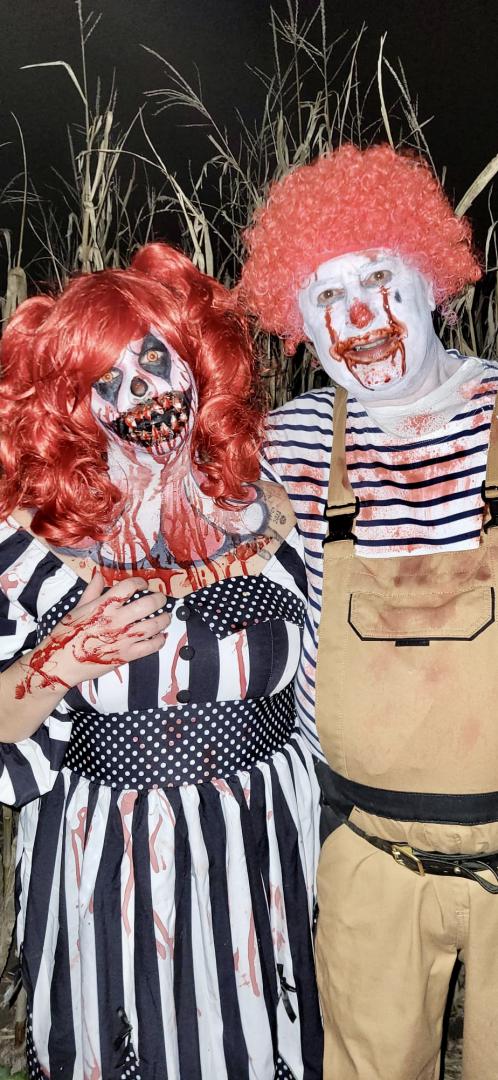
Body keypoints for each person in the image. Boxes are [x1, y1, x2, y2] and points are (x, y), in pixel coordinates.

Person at [0, 243, 323, 1080]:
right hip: (109, 856)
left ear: (196, 358)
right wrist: (61, 660)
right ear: (71, 407)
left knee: (251, 1043)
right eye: (104, 382)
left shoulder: (272, 505)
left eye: (153, 361)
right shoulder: (29, 543)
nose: (139, 395)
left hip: (260, 842)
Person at [240, 143, 498, 1080]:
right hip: (366, 853)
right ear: (299, 323)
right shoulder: (287, 444)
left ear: (432, 279)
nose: (357, 316)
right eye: (326, 294)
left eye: (379, 278)